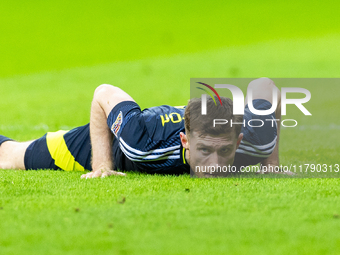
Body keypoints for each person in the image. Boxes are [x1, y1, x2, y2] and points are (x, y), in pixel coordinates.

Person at [0, 78, 283, 178]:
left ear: (238, 141)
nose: (216, 164)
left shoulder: (258, 137)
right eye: (205, 150)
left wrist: (271, 162)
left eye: (225, 151)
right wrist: (101, 166)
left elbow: (264, 86)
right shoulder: (143, 140)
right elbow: (103, 93)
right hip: (106, 144)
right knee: (10, 157)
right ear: (184, 140)